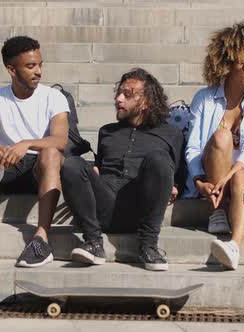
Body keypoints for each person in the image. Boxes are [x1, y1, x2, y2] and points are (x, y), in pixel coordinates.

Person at [61, 68, 183, 271]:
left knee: (158, 158)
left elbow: (175, 173)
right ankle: (93, 243)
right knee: (72, 163)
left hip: (141, 206)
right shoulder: (107, 132)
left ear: (146, 101)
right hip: (105, 204)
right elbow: (98, 170)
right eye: (119, 93)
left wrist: (173, 185)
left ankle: (148, 246)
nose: (118, 99)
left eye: (127, 94)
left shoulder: (171, 134)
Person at [0, 36, 69, 268]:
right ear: (12, 69)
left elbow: (60, 140)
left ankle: (41, 239)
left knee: (52, 153)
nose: (38, 71)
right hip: (6, 166)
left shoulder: (54, 97)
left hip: (39, 169)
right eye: (31, 66)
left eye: (40, 64)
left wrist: (26, 143)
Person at [184, 21, 244, 270]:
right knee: (221, 137)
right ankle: (216, 211)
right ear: (227, 64)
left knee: (240, 179)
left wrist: (231, 174)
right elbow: (193, 147)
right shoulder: (204, 98)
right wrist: (198, 181)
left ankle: (234, 246)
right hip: (212, 170)